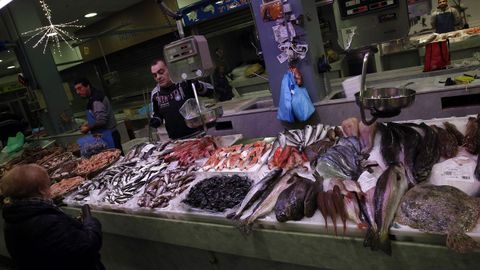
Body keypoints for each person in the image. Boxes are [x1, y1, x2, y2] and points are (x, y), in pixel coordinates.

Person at [0, 164, 105, 270]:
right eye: (48, 185)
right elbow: (88, 245)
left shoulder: (13, 216)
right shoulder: (47, 222)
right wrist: (91, 223)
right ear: (41, 190)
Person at [149, 58, 214, 139]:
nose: (158, 77)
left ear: (169, 69)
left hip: (198, 135)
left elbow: (210, 90)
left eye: (161, 72)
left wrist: (198, 86)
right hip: (175, 140)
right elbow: (157, 115)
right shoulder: (155, 93)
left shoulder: (184, 82)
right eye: (155, 75)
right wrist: (156, 120)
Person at [74, 78, 123, 153]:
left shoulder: (96, 100)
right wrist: (88, 123)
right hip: (104, 136)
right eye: (76, 90)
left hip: (109, 137)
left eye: (80, 88)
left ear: (87, 86)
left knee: (116, 160)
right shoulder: (93, 97)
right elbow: (97, 116)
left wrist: (88, 128)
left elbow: (101, 121)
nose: (78, 92)